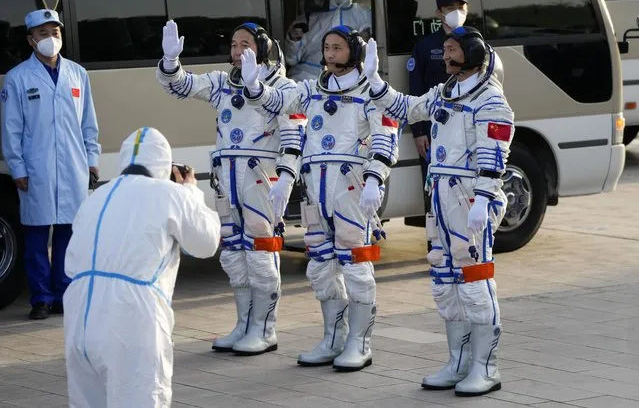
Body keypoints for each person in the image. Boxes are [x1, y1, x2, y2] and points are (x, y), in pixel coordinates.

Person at [363, 27, 513, 396]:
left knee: (475, 281)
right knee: (446, 281)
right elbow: (405, 108)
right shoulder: (443, 94)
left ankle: (485, 367)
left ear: (473, 54)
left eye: (452, 51)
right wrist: (374, 82)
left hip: (469, 197)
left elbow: (494, 154)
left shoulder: (490, 100)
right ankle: (457, 361)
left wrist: (483, 199)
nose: (445, 57)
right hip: (442, 196)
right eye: (444, 50)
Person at [242, 25, 399, 371]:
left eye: (338, 48)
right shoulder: (311, 90)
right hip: (317, 193)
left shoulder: (372, 92)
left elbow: (386, 136)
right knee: (321, 267)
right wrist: (255, 86)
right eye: (326, 47)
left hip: (352, 190)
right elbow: (278, 102)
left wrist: (375, 179)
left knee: (356, 267)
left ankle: (360, 342)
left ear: (354, 52)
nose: (329, 54)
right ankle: (333, 337)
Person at [156, 20, 306, 355]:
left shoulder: (282, 87)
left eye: (245, 45)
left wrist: (286, 177)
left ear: (263, 49)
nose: (237, 52)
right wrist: (170, 63)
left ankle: (264, 329)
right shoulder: (223, 83)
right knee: (235, 254)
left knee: (260, 253)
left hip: (260, 179)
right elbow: (181, 86)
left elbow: (294, 137)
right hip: (228, 179)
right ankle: (243, 324)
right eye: (234, 45)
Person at [63, 127, 221, 408]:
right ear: (165, 164)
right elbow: (206, 242)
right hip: (132, 319)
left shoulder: (95, 198)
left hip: (79, 316)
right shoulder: (170, 193)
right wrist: (192, 193)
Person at [0, 9, 101, 320]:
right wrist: (17, 168)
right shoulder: (18, 78)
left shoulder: (77, 74)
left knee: (68, 236)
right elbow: (11, 128)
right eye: (43, 34)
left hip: (73, 166)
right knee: (35, 236)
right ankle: (41, 298)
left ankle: (63, 295)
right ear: (31, 40)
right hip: (35, 170)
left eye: (55, 33)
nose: (51, 39)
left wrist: (92, 160)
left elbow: (88, 123)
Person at [407, 0, 468, 226]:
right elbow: (416, 91)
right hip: (435, 130)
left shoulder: (477, 43)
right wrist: (419, 132)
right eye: (450, 8)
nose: (456, 13)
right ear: (438, 13)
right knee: (435, 189)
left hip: (466, 126)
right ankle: (437, 246)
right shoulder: (425, 46)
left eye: (460, 7)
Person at [284, 0, 371, 81]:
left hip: (347, 82)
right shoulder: (306, 20)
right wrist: (294, 39)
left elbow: (372, 53)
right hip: (308, 80)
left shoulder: (364, 15)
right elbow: (291, 59)